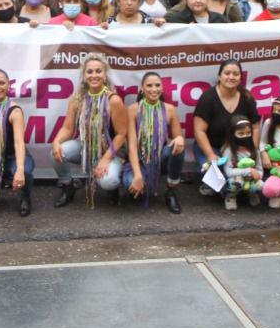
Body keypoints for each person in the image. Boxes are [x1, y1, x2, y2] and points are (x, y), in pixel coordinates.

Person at [50, 53, 133, 207]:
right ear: (84, 75)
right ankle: (68, 186)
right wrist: (56, 141)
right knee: (57, 152)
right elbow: (68, 128)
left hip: (111, 151)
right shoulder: (77, 99)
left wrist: (105, 159)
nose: (94, 75)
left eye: (98, 71)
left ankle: (113, 188)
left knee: (109, 182)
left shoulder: (113, 100)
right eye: (90, 71)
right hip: (85, 146)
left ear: (105, 74)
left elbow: (122, 134)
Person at [193, 59, 260, 195]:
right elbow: (199, 131)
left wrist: (253, 152)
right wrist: (210, 155)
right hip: (212, 148)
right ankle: (208, 182)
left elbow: (255, 127)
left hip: (238, 151)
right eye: (227, 73)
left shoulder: (247, 98)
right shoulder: (207, 98)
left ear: (240, 77)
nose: (231, 77)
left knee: (246, 183)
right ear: (220, 76)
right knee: (225, 187)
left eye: (235, 74)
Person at [126, 72, 185, 213]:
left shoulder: (170, 109)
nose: (154, 89)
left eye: (157, 85)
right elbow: (132, 145)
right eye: (149, 85)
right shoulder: (133, 109)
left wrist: (179, 138)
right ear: (142, 88)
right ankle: (143, 179)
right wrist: (138, 175)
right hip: (140, 160)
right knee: (130, 184)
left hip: (161, 159)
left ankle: (171, 191)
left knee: (178, 147)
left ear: (162, 88)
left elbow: (177, 137)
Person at [217, 115, 263, 210]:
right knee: (235, 182)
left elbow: (260, 170)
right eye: (240, 134)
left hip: (250, 179)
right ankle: (231, 197)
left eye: (248, 133)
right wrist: (249, 170)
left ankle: (252, 193)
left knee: (261, 185)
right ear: (233, 134)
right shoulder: (229, 150)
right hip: (236, 178)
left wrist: (257, 175)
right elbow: (228, 172)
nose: (245, 136)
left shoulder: (254, 150)